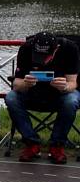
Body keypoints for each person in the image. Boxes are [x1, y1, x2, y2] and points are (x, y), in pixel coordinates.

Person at [5, 32, 80, 164]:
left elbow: (73, 83)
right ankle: (31, 143)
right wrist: (25, 84)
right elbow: (16, 84)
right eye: (39, 57)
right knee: (11, 98)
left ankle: (57, 145)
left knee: (71, 100)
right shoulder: (26, 48)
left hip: (60, 95)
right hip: (32, 94)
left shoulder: (70, 49)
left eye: (46, 57)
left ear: (56, 49)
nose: (42, 60)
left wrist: (64, 87)